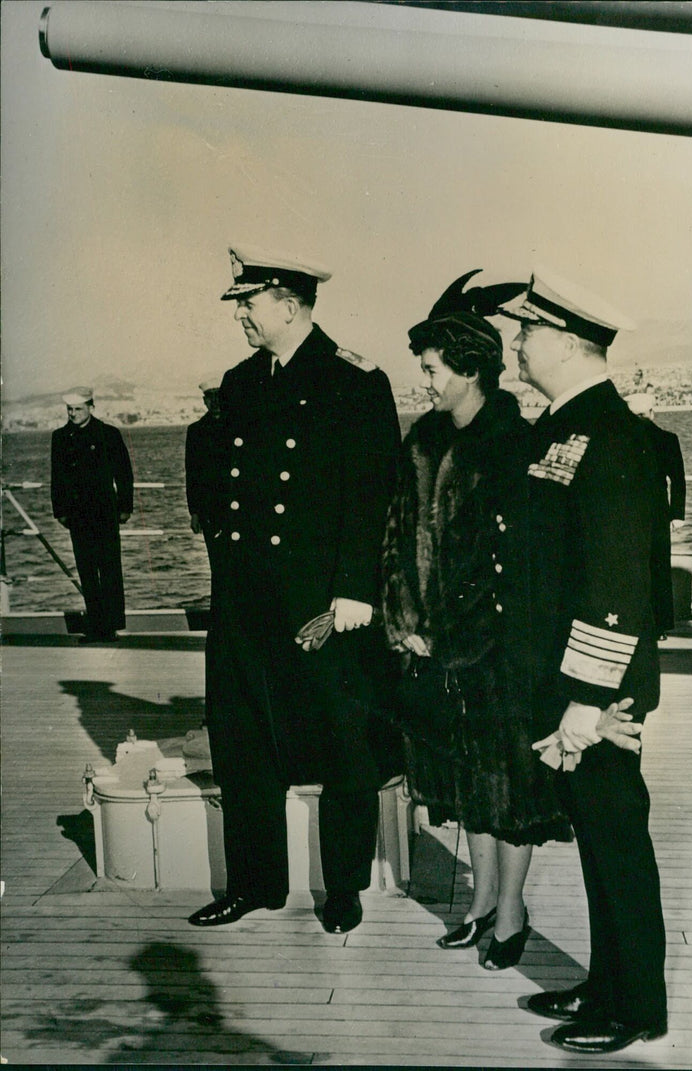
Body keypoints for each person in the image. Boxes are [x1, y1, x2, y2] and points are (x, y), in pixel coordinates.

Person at [382, 270, 635, 972]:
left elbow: (512, 562)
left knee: (507, 788)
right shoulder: (422, 442)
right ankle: (483, 901)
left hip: (491, 650)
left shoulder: (514, 443)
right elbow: (399, 537)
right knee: (467, 787)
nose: (425, 382)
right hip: (434, 648)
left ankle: (512, 910)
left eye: (432, 369)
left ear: (468, 369)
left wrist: (456, 633)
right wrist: (403, 618)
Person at [189, 247, 401, 934]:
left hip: (318, 601)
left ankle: (343, 888)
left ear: (288, 301)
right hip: (246, 598)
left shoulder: (354, 381)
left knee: (343, 743)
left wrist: (354, 589)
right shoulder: (240, 382)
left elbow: (375, 496)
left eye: (248, 302)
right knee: (241, 737)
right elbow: (220, 484)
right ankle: (256, 883)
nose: (242, 315)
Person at [496, 264, 669, 1054]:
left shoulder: (614, 437)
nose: (518, 342)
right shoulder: (563, 428)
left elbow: (620, 584)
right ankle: (608, 983)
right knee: (598, 839)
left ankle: (638, 1006)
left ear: (566, 342)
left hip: (594, 697)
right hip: (565, 687)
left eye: (527, 331)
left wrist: (587, 699)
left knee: (616, 840)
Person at [50, 387, 133, 643]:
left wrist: (125, 507)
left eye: (78, 409)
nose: (73, 414)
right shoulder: (61, 437)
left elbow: (124, 473)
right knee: (87, 570)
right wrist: (60, 511)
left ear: (91, 408)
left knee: (109, 568)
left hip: (105, 512)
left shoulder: (108, 434)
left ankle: (111, 625)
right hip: (78, 515)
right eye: (70, 410)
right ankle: (95, 626)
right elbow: (57, 477)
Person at [625, 391, 686, 631]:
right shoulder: (667, 439)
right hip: (659, 512)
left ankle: (636, 623)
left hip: (628, 512)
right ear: (652, 412)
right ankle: (661, 624)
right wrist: (677, 515)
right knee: (659, 566)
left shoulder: (622, 441)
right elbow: (678, 480)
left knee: (631, 566)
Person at [185, 378, 229, 572]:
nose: (215, 402)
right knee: (218, 565)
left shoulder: (241, 425)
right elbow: (192, 473)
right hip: (210, 509)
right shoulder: (196, 432)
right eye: (210, 397)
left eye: (219, 396)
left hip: (241, 508)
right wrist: (194, 512)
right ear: (204, 401)